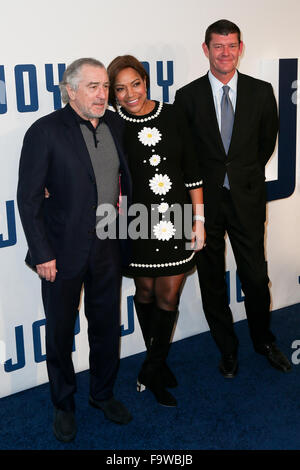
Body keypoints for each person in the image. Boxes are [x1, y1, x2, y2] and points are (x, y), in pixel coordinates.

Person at [17, 58, 133, 443]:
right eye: (93, 87)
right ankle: (63, 404)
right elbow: (29, 198)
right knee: (60, 332)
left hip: (107, 245)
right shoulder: (45, 131)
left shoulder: (115, 123)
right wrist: (42, 253)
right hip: (61, 252)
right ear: (70, 90)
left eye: (105, 86)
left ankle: (102, 394)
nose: (103, 94)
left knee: (105, 326)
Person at [174, 19, 292, 378]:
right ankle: (228, 350)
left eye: (231, 46)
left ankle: (264, 341)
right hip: (203, 205)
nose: (225, 53)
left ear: (240, 48)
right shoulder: (187, 97)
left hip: (247, 199)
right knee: (211, 280)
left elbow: (264, 144)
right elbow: (184, 153)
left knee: (255, 277)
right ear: (206, 49)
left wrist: (241, 178)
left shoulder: (261, 91)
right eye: (218, 46)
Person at [107, 55, 205, 407]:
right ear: (113, 93)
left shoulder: (173, 114)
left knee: (168, 296)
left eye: (135, 83)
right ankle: (158, 365)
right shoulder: (110, 123)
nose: (129, 93)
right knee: (145, 293)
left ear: (146, 81)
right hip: (134, 222)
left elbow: (192, 171)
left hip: (177, 216)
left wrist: (199, 220)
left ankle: (151, 369)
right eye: (120, 88)